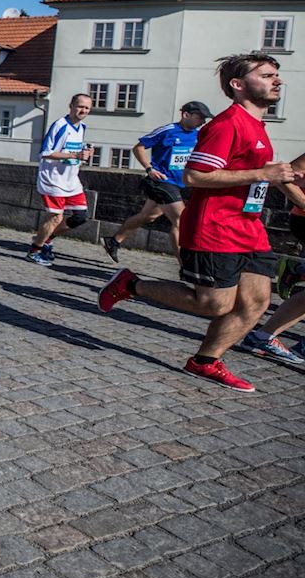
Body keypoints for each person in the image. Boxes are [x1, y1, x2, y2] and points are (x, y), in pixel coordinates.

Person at [98, 53, 303, 388]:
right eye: (266, 75)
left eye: (276, 75)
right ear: (238, 86)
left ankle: (205, 361)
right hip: (216, 228)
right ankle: (130, 285)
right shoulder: (228, 124)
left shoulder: (257, 126)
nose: (276, 80)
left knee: (256, 303)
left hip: (249, 228)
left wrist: (274, 178)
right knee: (212, 304)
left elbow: (256, 178)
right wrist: (262, 172)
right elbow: (194, 176)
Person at [102, 102, 212, 262]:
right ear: (186, 114)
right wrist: (149, 168)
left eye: (204, 118)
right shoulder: (167, 131)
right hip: (162, 182)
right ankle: (184, 265)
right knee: (181, 220)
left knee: (148, 216)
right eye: (200, 117)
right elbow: (138, 147)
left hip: (180, 183)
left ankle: (113, 241)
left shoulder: (198, 135)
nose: (203, 121)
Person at [27, 94, 94, 266]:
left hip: (71, 180)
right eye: (80, 106)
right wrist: (75, 154)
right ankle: (35, 250)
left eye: (86, 108)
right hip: (53, 179)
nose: (83, 111)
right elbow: (46, 152)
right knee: (56, 217)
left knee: (80, 216)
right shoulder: (60, 125)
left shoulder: (82, 127)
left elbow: (75, 152)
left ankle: (48, 239)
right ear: (71, 106)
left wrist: (85, 154)